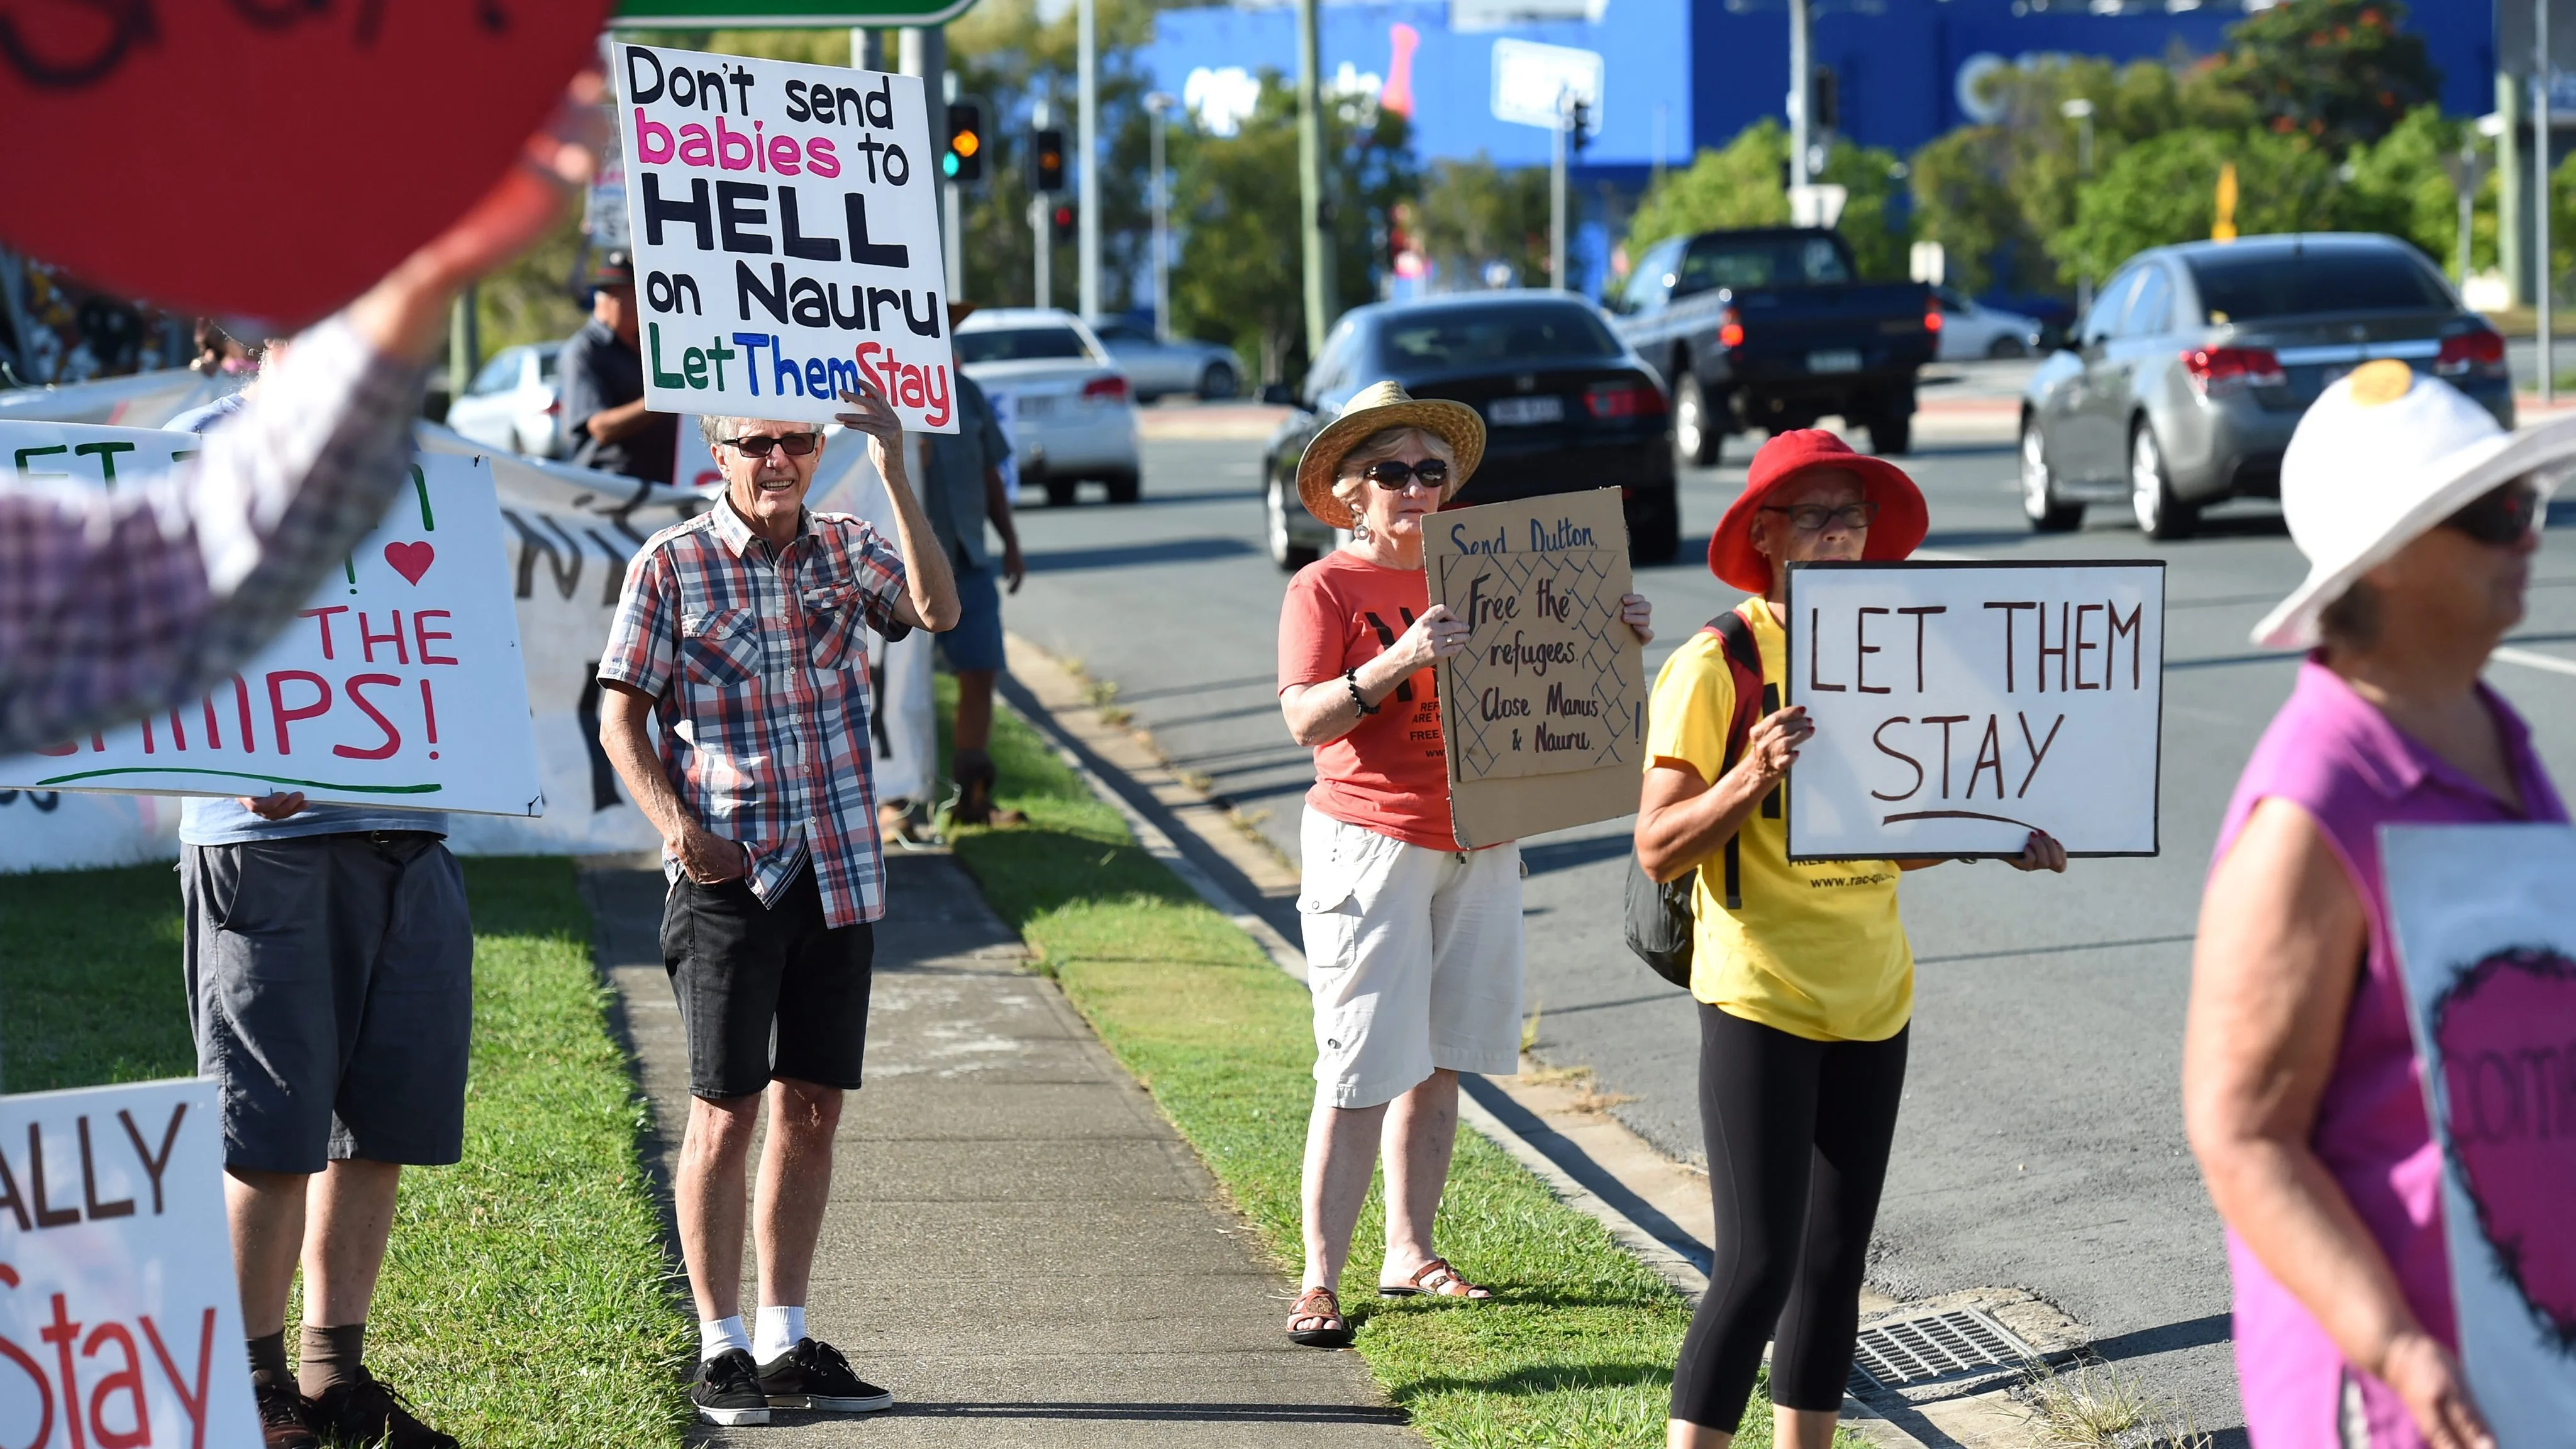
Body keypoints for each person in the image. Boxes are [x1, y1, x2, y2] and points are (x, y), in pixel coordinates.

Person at [1633, 430, 2065, 1448]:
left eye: (1853, 516)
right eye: (1818, 516)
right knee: (1756, 1264)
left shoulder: (1889, 651)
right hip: (1760, 992)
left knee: (1835, 1262)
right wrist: (1750, 774)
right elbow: (1657, 845)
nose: (1841, 536)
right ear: (1765, 534)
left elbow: (1886, 838)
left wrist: (1983, 841)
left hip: (1875, 995)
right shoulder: (1717, 662)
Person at [2185, 361, 2573, 1449]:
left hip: (2528, 1372)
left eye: (2528, 504)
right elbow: (2243, 1131)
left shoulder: (2494, 734)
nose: (2530, 534)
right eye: (2499, 511)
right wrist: (2393, 1342)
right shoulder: (2316, 799)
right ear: (2392, 557)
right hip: (2398, 1402)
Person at [0, 79, 597, 760]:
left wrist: (421, 277)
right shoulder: (197, 438)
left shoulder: (425, 457)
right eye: (315, 315)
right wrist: (244, 768)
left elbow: (168, 576)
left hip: (399, 808)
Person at [596, 386, 959, 1425]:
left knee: (813, 1104)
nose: (778, 459)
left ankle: (783, 1335)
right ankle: (720, 1346)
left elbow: (938, 611)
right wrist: (676, 825)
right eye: (755, 443)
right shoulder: (670, 562)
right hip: (729, 874)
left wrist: (892, 463)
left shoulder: (849, 546)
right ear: (718, 450)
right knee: (726, 1108)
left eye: (796, 441)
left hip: (842, 867)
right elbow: (621, 716)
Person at [1274, 380, 1655, 1347]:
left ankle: (1411, 1250)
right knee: (1360, 1061)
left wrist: (1614, 630)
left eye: (1428, 470)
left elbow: (1558, 656)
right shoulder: (1325, 587)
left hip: (1483, 835)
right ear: (1350, 491)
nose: (1414, 487)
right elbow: (1304, 720)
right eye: (1390, 471)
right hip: (1372, 838)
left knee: (1442, 1059)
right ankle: (1319, 1278)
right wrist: (1396, 661)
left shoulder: (1484, 558)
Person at [169, 349, 473, 1449]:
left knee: (379, 1119)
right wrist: (230, 739)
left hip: (409, 833)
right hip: (270, 844)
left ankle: (330, 1376)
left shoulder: (423, 461)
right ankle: (249, 1389)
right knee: (269, 1126)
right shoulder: (199, 450)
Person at [915, 300, 1026, 830]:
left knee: (980, 671)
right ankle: (897, 802)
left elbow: (989, 475)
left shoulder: (968, 394)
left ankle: (970, 794)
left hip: (969, 559)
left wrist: (1010, 540)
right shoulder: (878, 395)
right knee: (893, 681)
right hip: (899, 567)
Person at [557, 249, 677, 484]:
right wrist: (661, 400)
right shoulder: (583, 352)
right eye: (638, 294)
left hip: (661, 485)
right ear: (613, 296)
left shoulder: (648, 343)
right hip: (610, 491)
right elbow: (600, 428)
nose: (648, 304)